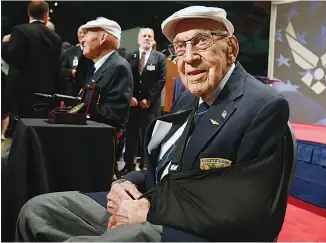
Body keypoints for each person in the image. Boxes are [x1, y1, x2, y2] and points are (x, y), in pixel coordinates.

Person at [15, 6, 290, 242]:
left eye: (201, 42)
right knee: (38, 211)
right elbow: (162, 171)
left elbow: (251, 211)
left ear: (231, 48)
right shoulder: (187, 98)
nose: (189, 57)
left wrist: (146, 211)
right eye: (180, 47)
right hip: (150, 203)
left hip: (194, 229)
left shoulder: (261, 106)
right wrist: (124, 184)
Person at [1, 1, 62, 119]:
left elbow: (14, 58)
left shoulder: (20, 30)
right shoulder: (56, 37)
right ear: (46, 15)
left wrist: (4, 44)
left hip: (21, 90)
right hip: (45, 91)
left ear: (28, 13)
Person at [73, 18, 133, 130]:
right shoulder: (96, 67)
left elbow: (114, 114)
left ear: (102, 38)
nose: (82, 40)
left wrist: (80, 113)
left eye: (87, 34)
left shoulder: (119, 67)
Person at [123, 28, 167, 173]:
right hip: (133, 104)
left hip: (150, 105)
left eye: (150, 36)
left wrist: (148, 99)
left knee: (148, 136)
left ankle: (145, 166)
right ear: (138, 39)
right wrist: (131, 97)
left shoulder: (159, 57)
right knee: (131, 136)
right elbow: (126, 78)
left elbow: (161, 80)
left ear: (153, 39)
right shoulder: (130, 55)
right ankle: (128, 165)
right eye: (144, 35)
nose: (147, 38)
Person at [59, 26, 93, 96]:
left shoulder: (94, 52)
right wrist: (71, 72)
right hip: (72, 91)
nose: (82, 35)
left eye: (85, 33)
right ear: (77, 34)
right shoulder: (69, 52)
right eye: (80, 32)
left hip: (90, 90)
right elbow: (59, 69)